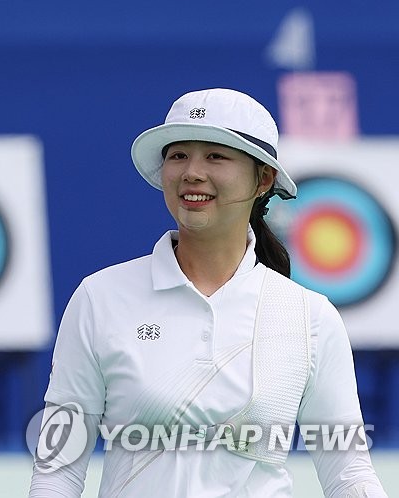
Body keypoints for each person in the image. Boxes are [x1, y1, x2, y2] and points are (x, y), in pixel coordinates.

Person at [29, 88, 389, 497]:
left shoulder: (309, 316)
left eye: (216, 155)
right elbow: (57, 470)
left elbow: (348, 473)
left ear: (263, 179)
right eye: (178, 155)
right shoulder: (100, 298)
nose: (192, 173)